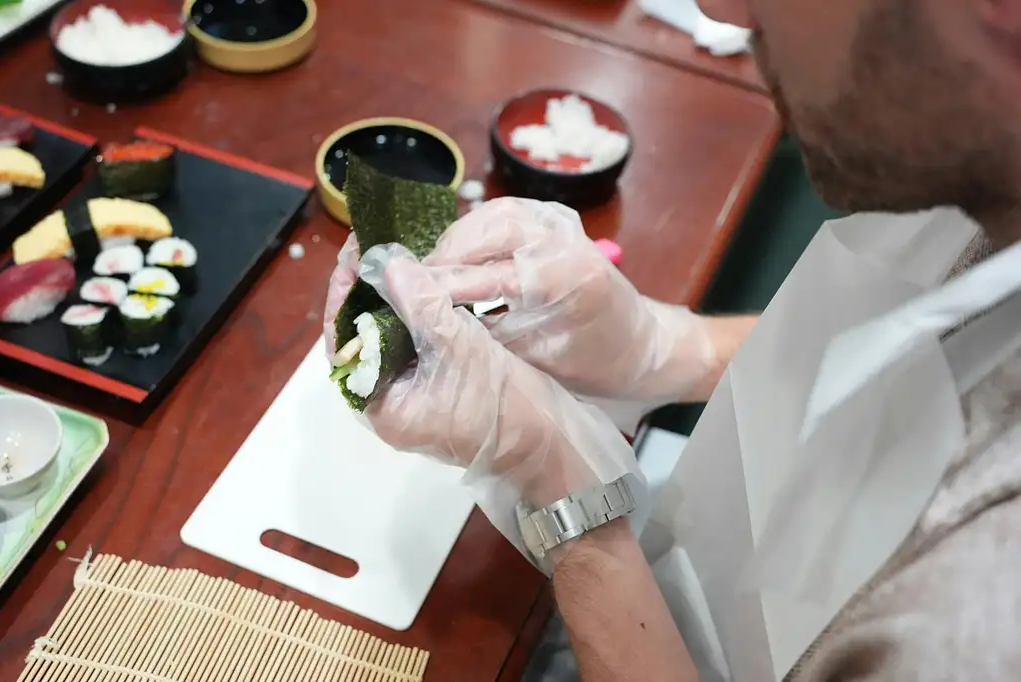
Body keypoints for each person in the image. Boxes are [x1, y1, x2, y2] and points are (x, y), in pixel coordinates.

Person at [324, 0, 1021, 680]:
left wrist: (562, 493)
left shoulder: (978, 624)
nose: (719, 13)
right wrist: (657, 349)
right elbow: (922, 349)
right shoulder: (981, 147)